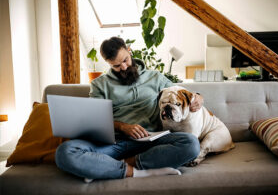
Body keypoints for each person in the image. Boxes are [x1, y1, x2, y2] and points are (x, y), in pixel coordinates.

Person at [55, 37, 204, 182]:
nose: (124, 68)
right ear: (108, 63)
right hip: (115, 144)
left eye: (125, 60)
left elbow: (179, 92)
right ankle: (133, 171)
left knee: (191, 144)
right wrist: (122, 126)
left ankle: (108, 166)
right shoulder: (99, 85)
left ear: (129, 50)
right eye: (116, 66)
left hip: (154, 140)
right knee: (65, 152)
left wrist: (198, 97)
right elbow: (95, 119)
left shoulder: (155, 77)